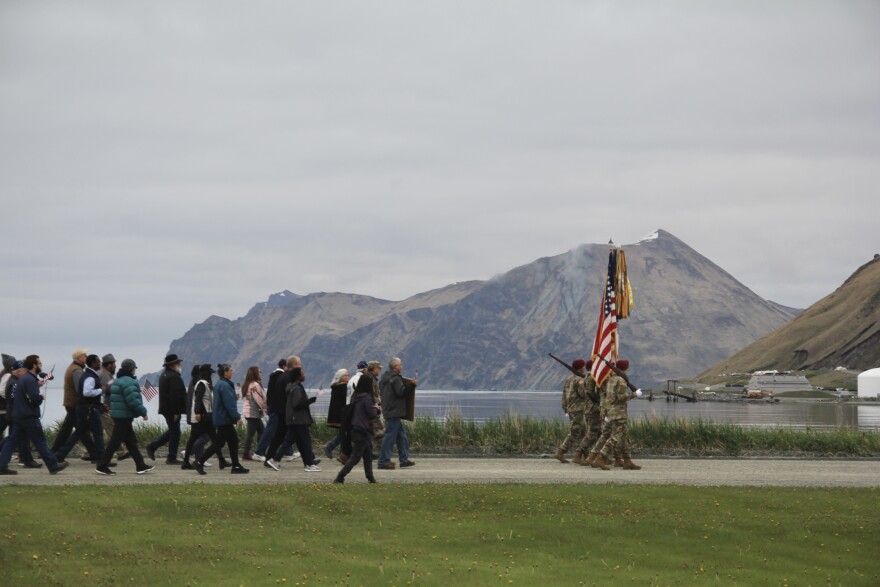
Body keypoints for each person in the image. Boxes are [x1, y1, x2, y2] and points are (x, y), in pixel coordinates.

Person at [0, 355, 69, 475]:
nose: (41, 365)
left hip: (18, 415)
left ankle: (2, 465)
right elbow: (33, 399)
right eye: (39, 363)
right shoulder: (30, 379)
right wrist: (40, 397)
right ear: (34, 365)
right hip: (28, 415)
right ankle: (53, 465)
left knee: (11, 440)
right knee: (40, 441)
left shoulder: (23, 379)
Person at [95, 359, 154, 475]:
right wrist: (143, 412)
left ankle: (140, 465)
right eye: (134, 368)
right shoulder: (129, 382)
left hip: (118, 414)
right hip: (124, 416)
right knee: (115, 442)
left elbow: (109, 394)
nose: (135, 370)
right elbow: (132, 400)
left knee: (131, 442)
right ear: (131, 369)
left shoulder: (117, 381)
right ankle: (102, 465)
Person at [195, 364, 249, 475]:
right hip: (224, 419)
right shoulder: (224, 385)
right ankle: (200, 461)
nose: (233, 371)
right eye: (231, 370)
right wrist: (237, 417)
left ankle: (236, 465)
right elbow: (229, 404)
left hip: (222, 418)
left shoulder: (220, 384)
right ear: (225, 373)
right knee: (218, 443)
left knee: (233, 441)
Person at [592, 360, 641, 471]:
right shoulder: (621, 380)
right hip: (619, 413)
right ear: (625, 368)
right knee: (615, 437)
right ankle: (600, 457)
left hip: (611, 412)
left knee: (625, 438)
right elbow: (621, 397)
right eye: (627, 367)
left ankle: (627, 461)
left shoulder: (610, 379)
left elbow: (609, 397)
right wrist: (634, 394)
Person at [55, 354, 104, 463]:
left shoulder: (85, 373)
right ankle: (102, 458)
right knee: (98, 432)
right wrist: (101, 390)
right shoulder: (90, 376)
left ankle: (60, 454)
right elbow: (86, 392)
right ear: (92, 363)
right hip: (89, 408)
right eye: (97, 362)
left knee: (78, 433)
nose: (100, 363)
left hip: (82, 408)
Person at [270, 366, 320, 472]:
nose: (304, 375)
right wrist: (309, 401)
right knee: (305, 442)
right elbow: (297, 404)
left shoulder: (291, 386)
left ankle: (275, 460)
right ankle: (309, 464)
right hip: (299, 419)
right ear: (298, 376)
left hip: (294, 419)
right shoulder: (297, 388)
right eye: (303, 373)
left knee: (288, 441)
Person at [332, 376, 379, 484]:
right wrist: (376, 408)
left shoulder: (355, 396)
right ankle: (340, 477)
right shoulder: (367, 398)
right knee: (355, 457)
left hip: (355, 429)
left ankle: (370, 478)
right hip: (362, 429)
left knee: (367, 455)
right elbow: (371, 414)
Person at [147, 354, 186, 464]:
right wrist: (176, 411)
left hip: (166, 408)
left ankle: (154, 446)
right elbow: (175, 395)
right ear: (173, 365)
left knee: (173, 431)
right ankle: (171, 457)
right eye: (178, 363)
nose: (180, 365)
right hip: (172, 410)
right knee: (175, 433)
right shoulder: (174, 377)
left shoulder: (164, 375)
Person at [263, 355, 301, 470]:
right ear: (294, 365)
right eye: (299, 364)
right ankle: (309, 460)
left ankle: (269, 458)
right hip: (286, 411)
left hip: (280, 410)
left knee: (279, 436)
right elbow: (289, 396)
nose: (300, 367)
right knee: (295, 435)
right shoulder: (288, 378)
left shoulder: (281, 377)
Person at [0, 359, 39, 468]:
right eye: (24, 371)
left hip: (14, 412)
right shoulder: (13, 381)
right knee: (14, 438)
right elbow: (10, 396)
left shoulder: (15, 380)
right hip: (13, 413)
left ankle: (25, 460)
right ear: (18, 371)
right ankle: (25, 460)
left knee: (15, 438)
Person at [378, 357, 415, 470]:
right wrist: (411, 385)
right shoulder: (396, 378)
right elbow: (401, 393)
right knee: (389, 437)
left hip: (388, 410)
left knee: (401, 436)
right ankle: (383, 461)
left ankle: (404, 459)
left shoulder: (383, 379)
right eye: (400, 365)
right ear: (396, 367)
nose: (402, 367)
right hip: (395, 411)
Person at [253, 358, 292, 461]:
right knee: (271, 429)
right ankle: (259, 451)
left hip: (275, 406)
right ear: (284, 366)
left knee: (282, 429)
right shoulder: (279, 376)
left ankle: (288, 452)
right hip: (276, 407)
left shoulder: (275, 376)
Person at [51, 348, 88, 453]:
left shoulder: (73, 368)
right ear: (79, 358)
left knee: (74, 429)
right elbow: (80, 389)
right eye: (84, 355)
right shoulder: (77, 370)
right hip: (74, 404)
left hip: (71, 403)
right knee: (76, 430)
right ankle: (56, 451)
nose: (86, 357)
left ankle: (94, 452)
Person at [555, 359, 588, 464]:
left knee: (583, 432)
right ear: (580, 368)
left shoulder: (569, 379)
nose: (584, 368)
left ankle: (584, 455)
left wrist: (565, 408)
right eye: (583, 366)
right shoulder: (579, 380)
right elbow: (584, 394)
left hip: (571, 409)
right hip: (578, 409)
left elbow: (564, 394)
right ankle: (561, 451)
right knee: (576, 431)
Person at [99, 354, 129, 461]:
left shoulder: (107, 374)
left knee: (97, 430)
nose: (115, 366)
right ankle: (120, 451)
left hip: (102, 406)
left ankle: (88, 452)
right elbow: (105, 389)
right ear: (109, 364)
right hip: (103, 407)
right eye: (114, 364)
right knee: (111, 427)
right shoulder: (105, 375)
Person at [338, 360, 368, 463]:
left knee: (349, 433)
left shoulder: (352, 379)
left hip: (348, 407)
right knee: (357, 432)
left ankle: (346, 454)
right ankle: (347, 455)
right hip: (354, 408)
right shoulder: (361, 379)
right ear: (364, 369)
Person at [241, 366, 267, 460]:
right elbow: (258, 399)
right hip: (253, 412)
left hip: (250, 411)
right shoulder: (255, 385)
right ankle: (249, 454)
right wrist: (266, 409)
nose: (261, 373)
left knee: (261, 431)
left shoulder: (248, 384)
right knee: (252, 434)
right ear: (255, 373)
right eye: (259, 372)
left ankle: (258, 452)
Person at [322, 368, 349, 458]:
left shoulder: (336, 387)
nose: (348, 377)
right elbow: (346, 401)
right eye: (346, 375)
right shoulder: (343, 387)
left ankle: (343, 453)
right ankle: (330, 447)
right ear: (341, 377)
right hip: (343, 414)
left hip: (337, 413)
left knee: (344, 433)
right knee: (344, 433)